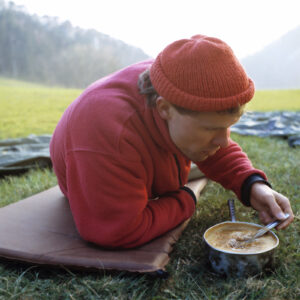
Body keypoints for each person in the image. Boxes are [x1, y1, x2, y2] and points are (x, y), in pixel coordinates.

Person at [50, 34, 294, 249]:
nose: (224, 141)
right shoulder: (108, 133)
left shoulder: (178, 90)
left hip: (151, 149)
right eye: (210, 128)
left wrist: (252, 184)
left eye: (228, 127)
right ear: (164, 108)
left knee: (206, 147)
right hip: (104, 164)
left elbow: (218, 147)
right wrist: (186, 199)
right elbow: (115, 231)